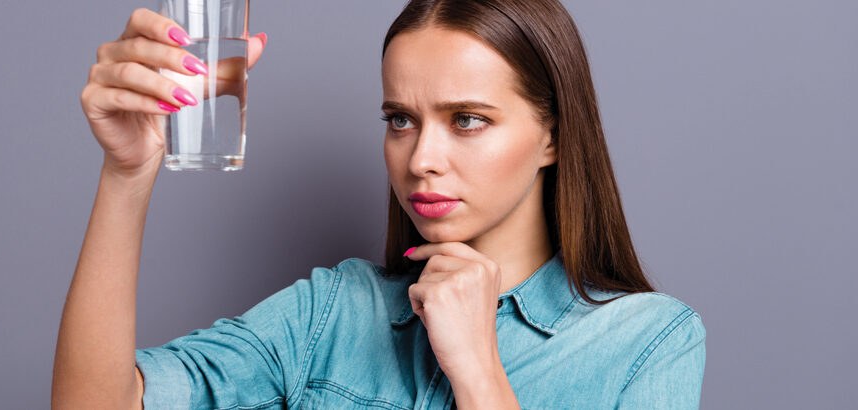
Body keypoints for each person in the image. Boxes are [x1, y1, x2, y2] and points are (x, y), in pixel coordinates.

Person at [52, 0, 707, 408]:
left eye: (468, 119)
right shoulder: (332, 312)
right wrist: (126, 173)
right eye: (400, 119)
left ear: (553, 137)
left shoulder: (648, 342)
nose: (421, 157)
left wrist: (479, 372)